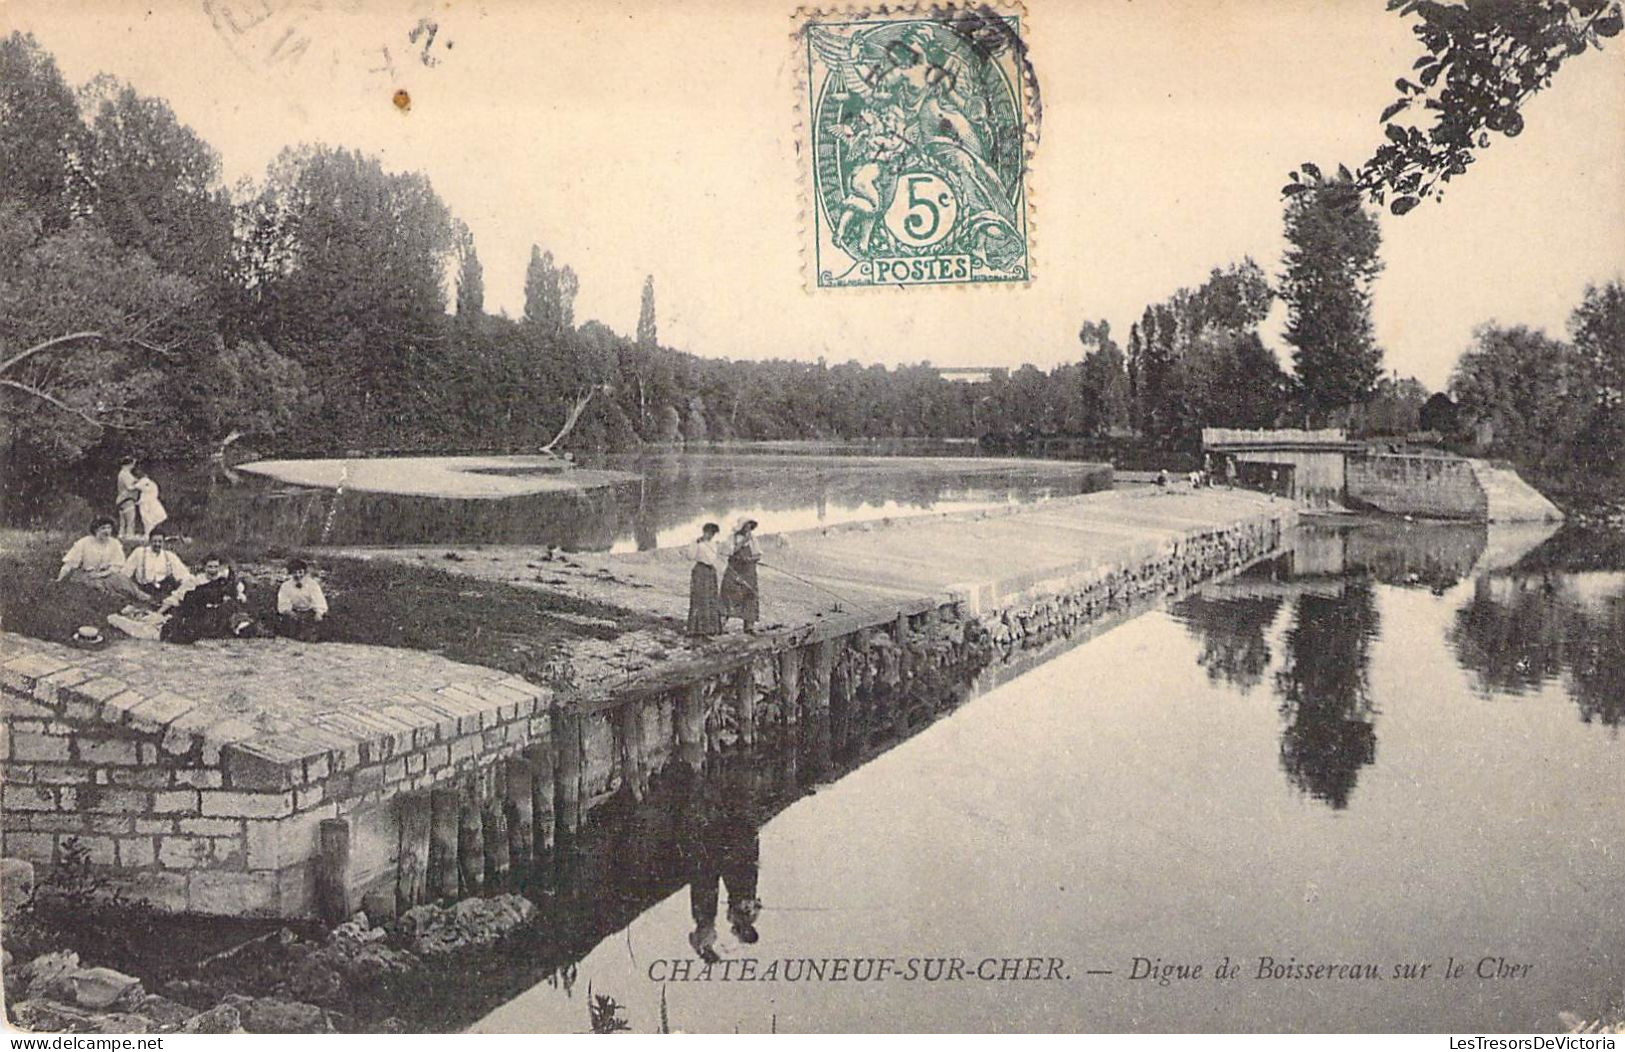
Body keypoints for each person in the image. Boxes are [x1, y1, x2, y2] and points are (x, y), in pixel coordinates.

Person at [158, 555, 249, 644]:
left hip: (219, 613)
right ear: (204, 567)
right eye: (210, 567)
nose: (213, 570)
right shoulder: (196, 581)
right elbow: (177, 596)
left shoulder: (222, 580)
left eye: (215, 567)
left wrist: (240, 595)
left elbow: (237, 590)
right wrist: (160, 612)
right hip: (202, 613)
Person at [56, 517, 148, 600]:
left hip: (107, 574)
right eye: (103, 528)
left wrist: (103, 574)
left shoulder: (114, 543)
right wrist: (59, 579)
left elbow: (117, 565)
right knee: (97, 586)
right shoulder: (84, 542)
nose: (107, 531)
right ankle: (114, 600)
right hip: (88, 575)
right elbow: (70, 563)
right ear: (96, 530)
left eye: (109, 528)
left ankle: (141, 597)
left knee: (122, 580)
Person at [122, 528, 191, 602]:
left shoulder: (169, 556)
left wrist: (186, 585)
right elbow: (125, 573)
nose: (157, 544)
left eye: (160, 542)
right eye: (154, 541)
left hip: (163, 591)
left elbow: (183, 574)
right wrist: (135, 591)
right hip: (143, 590)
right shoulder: (139, 553)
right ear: (149, 541)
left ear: (163, 542)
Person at [720, 519, 761, 634]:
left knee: (750, 595)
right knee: (728, 594)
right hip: (735, 570)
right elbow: (729, 551)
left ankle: (749, 627)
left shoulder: (753, 538)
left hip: (748, 572)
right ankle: (720, 625)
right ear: (741, 527)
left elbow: (758, 554)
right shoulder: (731, 538)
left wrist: (751, 559)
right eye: (746, 526)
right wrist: (743, 543)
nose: (748, 528)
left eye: (750, 526)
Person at [686, 523, 725, 638]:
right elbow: (690, 556)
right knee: (699, 597)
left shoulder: (713, 544)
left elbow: (713, 558)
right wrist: (697, 544)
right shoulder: (696, 542)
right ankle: (697, 628)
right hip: (700, 570)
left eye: (713, 533)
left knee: (711, 598)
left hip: (710, 571)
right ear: (704, 531)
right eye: (709, 532)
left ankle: (711, 628)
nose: (710, 535)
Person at [276, 558, 328, 641]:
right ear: (291, 573)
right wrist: (289, 611)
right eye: (294, 572)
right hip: (294, 613)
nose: (298, 575)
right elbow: (283, 603)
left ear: (304, 572)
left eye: (300, 572)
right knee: (291, 632)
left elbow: (318, 600)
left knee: (311, 634)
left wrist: (318, 612)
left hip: (309, 613)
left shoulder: (312, 584)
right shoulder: (285, 586)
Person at [132, 466, 167, 538]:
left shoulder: (144, 481)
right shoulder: (152, 483)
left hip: (147, 502)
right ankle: (149, 533)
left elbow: (136, 486)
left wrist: (134, 482)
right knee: (149, 518)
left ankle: (149, 533)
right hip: (151, 502)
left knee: (147, 518)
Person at [115, 457, 140, 539]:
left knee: (123, 522)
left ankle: (121, 535)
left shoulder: (122, 473)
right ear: (129, 464)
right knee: (130, 520)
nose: (133, 466)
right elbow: (129, 487)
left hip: (121, 499)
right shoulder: (125, 474)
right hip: (127, 499)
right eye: (132, 464)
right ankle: (130, 536)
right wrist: (138, 486)